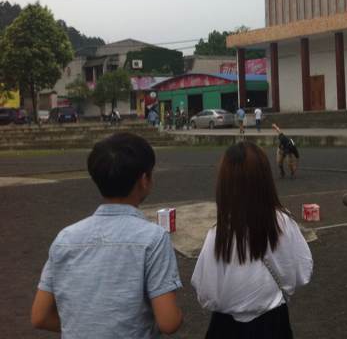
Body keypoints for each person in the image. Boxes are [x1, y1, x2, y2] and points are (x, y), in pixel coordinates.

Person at [31, 132, 183, 337]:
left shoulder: (65, 238)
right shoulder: (153, 238)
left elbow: (40, 316)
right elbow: (169, 322)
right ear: (144, 180)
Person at [191, 142, 313, 338]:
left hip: (226, 327)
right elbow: (303, 271)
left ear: (224, 184)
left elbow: (205, 291)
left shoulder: (218, 234)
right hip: (273, 323)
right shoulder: (283, 223)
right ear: (265, 179)